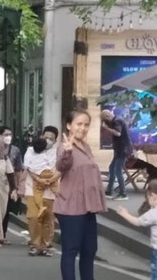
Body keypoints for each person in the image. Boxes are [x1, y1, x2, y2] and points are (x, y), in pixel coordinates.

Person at [55, 110, 107, 280]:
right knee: (70, 251)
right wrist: (68, 152)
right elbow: (62, 165)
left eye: (86, 125)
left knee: (89, 250)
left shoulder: (86, 147)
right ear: (69, 126)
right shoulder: (64, 146)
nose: (82, 128)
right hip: (71, 207)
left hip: (88, 207)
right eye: (79, 124)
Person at [24, 136, 60, 256]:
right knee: (34, 217)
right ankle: (35, 244)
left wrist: (50, 181)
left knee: (47, 219)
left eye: (51, 138)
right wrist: (39, 179)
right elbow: (28, 168)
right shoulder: (30, 151)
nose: (48, 140)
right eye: (46, 137)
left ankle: (44, 245)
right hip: (32, 189)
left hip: (50, 190)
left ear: (55, 140)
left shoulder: (58, 153)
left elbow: (62, 169)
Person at [0, 126, 23, 246]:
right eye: (5, 134)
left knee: (5, 210)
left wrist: (17, 187)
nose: (8, 137)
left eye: (10, 135)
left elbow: (18, 169)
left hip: (8, 184)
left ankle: (3, 235)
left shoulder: (15, 150)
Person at [101, 109, 132, 201]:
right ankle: (109, 191)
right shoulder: (116, 120)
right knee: (112, 168)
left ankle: (123, 193)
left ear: (107, 116)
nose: (105, 122)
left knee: (118, 170)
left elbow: (118, 133)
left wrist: (106, 128)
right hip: (119, 149)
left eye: (104, 119)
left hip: (123, 149)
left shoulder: (117, 121)